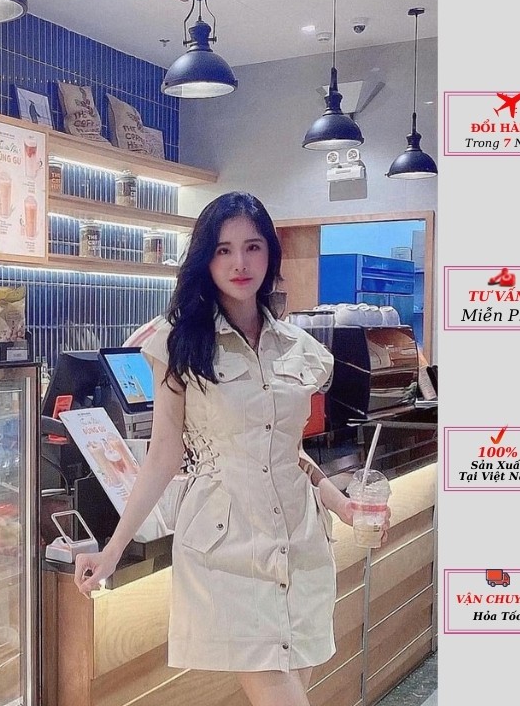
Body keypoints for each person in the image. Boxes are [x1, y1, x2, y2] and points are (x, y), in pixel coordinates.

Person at [74, 191, 390, 706]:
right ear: (206, 258)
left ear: (270, 255)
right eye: (223, 250)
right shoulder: (178, 343)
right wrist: (112, 551)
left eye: (252, 247)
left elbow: (288, 453)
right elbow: (163, 455)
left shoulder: (298, 348)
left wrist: (343, 505)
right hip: (227, 548)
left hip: (300, 544)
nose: (239, 263)